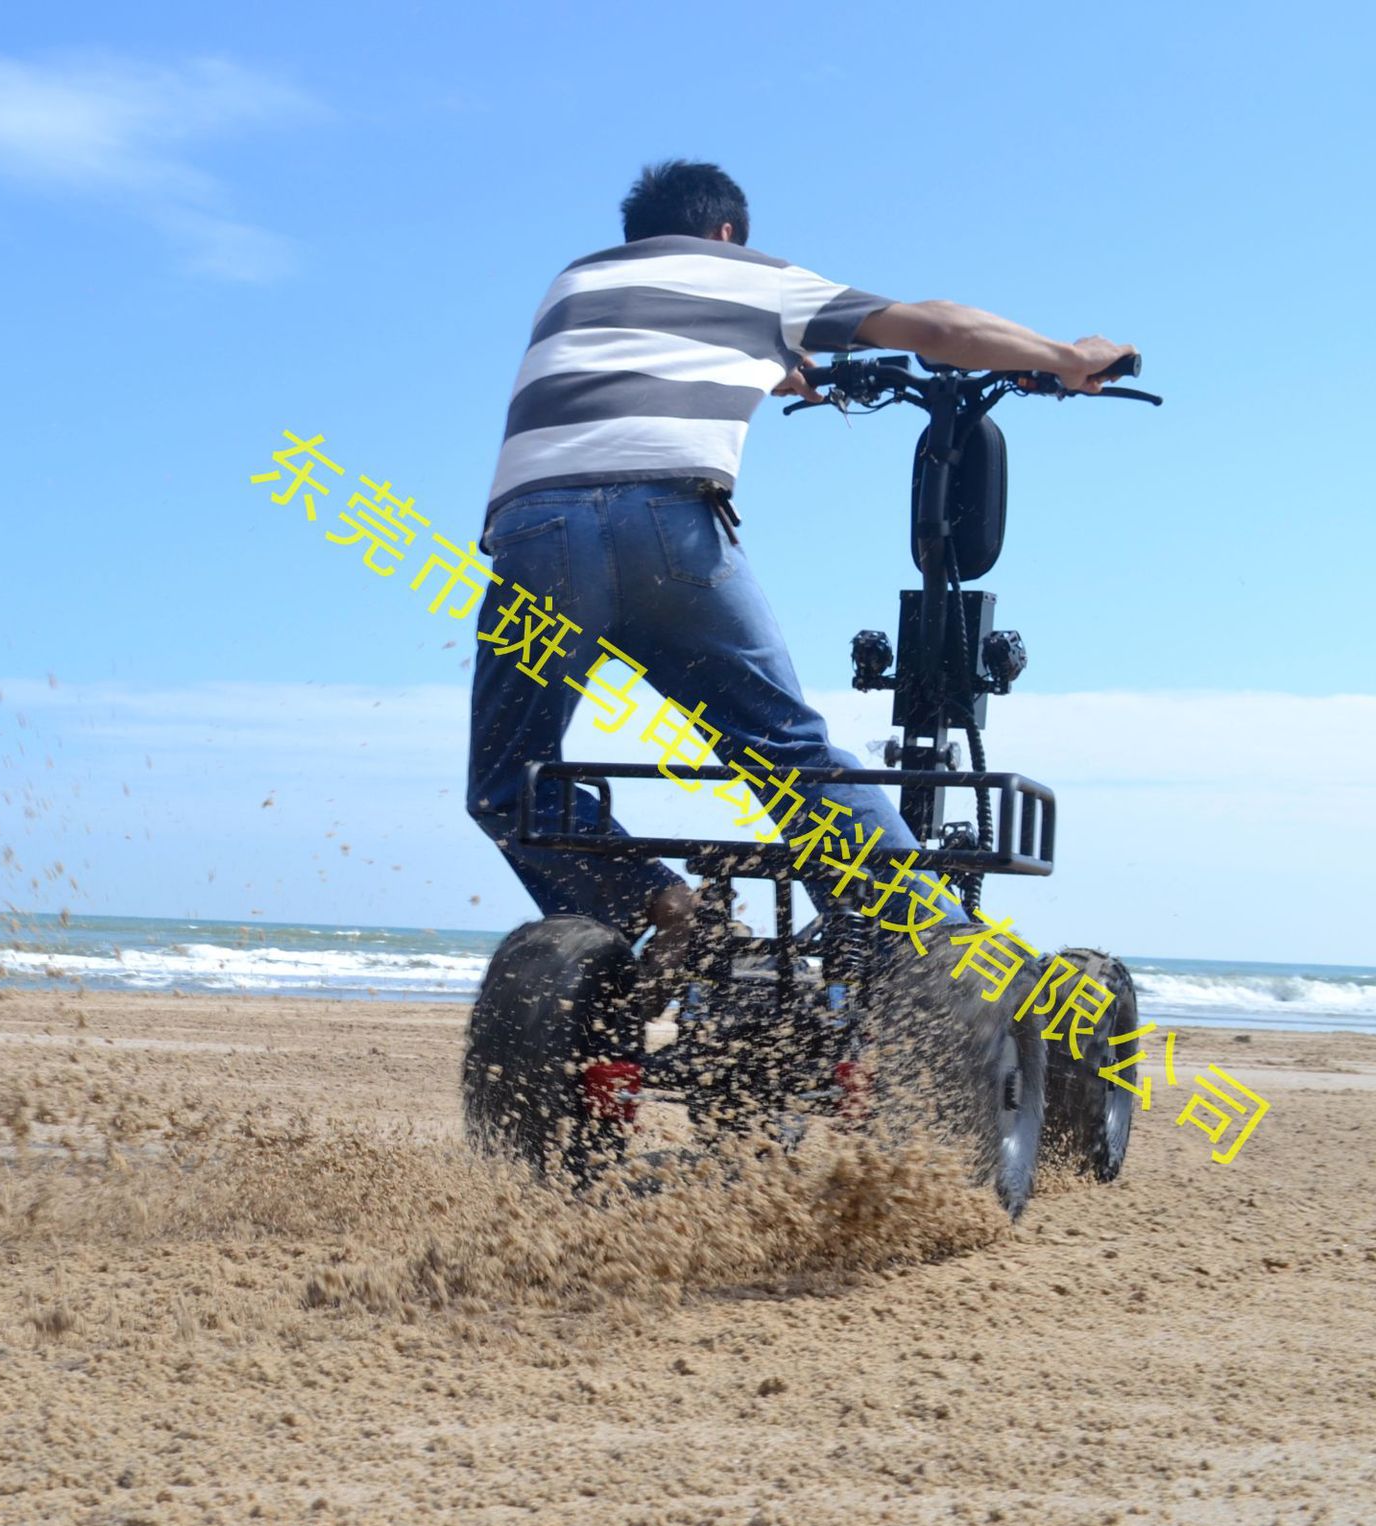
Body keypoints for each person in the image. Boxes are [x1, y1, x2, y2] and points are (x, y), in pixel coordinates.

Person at [466, 158, 1135, 996]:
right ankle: (933, 951)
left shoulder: (576, 283)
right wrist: (1067, 356)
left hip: (535, 536)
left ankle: (663, 907)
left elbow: (648, 354)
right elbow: (936, 325)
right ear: (726, 233)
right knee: (787, 753)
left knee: (510, 781)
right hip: (671, 526)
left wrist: (780, 364)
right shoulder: (751, 276)